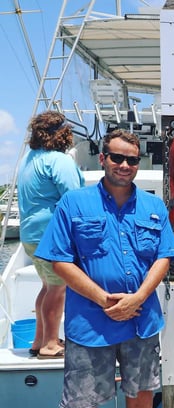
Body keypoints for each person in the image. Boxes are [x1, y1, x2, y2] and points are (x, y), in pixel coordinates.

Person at [35, 129, 174, 408]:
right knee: (82, 401)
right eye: (117, 157)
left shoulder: (153, 206)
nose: (124, 165)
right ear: (102, 159)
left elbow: (165, 256)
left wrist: (139, 298)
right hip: (90, 324)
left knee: (142, 390)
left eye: (132, 160)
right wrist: (103, 299)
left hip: (142, 320)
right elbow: (58, 259)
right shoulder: (74, 202)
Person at [17, 111, 84, 359]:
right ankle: (50, 344)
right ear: (63, 133)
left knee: (47, 287)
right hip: (51, 235)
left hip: (30, 236)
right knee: (58, 289)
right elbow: (74, 197)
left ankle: (39, 341)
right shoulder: (59, 160)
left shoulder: (29, 158)